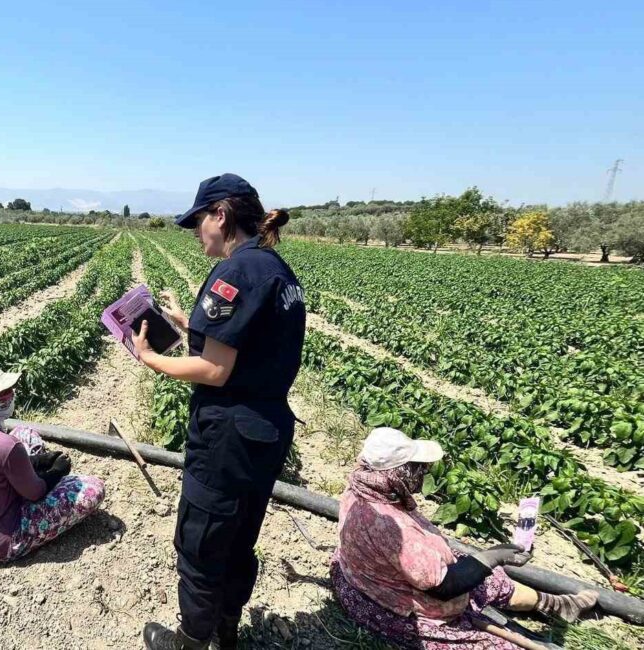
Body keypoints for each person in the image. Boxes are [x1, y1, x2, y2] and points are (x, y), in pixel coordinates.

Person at [133, 174, 305, 650]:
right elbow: (252, 345)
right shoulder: (276, 270)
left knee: (202, 539)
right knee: (238, 536)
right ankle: (227, 630)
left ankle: (191, 641)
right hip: (266, 430)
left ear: (221, 216)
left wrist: (150, 358)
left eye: (198, 221)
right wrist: (192, 324)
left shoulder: (236, 271)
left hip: (229, 434)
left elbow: (213, 368)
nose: (195, 232)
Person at [332, 427, 600, 649]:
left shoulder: (362, 486)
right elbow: (444, 586)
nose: (423, 473)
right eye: (417, 468)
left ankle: (556, 605)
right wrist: (493, 556)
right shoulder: (390, 526)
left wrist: (483, 562)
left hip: (365, 576)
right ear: (397, 474)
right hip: (397, 606)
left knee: (487, 578)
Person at [0, 362, 105, 563]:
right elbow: (35, 493)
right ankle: (14, 541)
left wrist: (37, 461)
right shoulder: (4, 446)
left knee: (26, 434)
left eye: (9, 390)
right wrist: (56, 472)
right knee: (92, 489)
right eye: (3, 394)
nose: (10, 396)